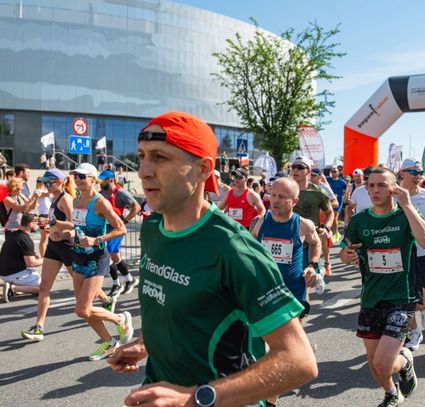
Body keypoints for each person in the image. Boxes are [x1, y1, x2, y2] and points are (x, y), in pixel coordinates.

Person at [108, 112, 317, 407]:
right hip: (153, 393)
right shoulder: (152, 228)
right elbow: (183, 310)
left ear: (203, 169)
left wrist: (194, 398)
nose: (143, 171)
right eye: (141, 156)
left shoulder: (235, 249)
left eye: (160, 157)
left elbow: (299, 361)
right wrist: (147, 344)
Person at [339, 168, 425, 406]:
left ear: (394, 189)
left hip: (401, 298)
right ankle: (392, 392)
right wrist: (346, 255)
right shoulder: (360, 220)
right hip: (371, 298)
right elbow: (343, 251)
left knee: (383, 363)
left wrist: (408, 205)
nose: (375, 190)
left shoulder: (405, 214)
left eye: (381, 185)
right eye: (371, 185)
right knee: (375, 363)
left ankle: (405, 360)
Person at [67, 163, 131, 360]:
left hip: (96, 259)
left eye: (82, 176)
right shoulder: (76, 200)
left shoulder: (100, 202)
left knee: (82, 309)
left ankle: (120, 319)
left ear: (93, 179)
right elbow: (78, 229)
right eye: (76, 176)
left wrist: (97, 240)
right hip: (78, 257)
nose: (78, 179)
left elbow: (121, 229)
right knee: (84, 311)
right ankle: (109, 343)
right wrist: (65, 233)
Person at [251, 177, 321, 322]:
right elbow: (248, 249)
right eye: (273, 195)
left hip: (293, 291)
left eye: (282, 197)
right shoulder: (259, 222)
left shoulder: (303, 225)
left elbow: (316, 243)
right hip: (264, 291)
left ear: (294, 201)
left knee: (293, 335)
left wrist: (312, 265)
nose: (275, 200)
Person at [21, 169, 79, 341]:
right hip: (54, 247)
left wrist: (52, 222)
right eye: (45, 182)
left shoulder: (66, 198)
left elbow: (74, 224)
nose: (47, 185)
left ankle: (105, 300)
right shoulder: (54, 198)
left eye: (50, 182)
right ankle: (39, 327)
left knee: (81, 287)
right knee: (44, 287)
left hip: (67, 247)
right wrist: (48, 225)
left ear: (60, 182)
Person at [399, 159, 425, 352]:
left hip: (424, 252)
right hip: (401, 252)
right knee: (405, 299)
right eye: (413, 172)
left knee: (418, 302)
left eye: (420, 172)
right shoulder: (393, 196)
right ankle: (415, 332)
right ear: (402, 173)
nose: (418, 176)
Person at [98, 170, 141, 297]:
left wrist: (125, 221)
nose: (100, 183)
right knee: (113, 256)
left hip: (116, 229)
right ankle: (129, 279)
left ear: (111, 180)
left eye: (103, 180)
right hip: (105, 228)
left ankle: (117, 283)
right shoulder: (101, 193)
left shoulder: (120, 192)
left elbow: (136, 207)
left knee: (108, 252)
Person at [291, 156, 334, 277]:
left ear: (309, 171)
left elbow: (330, 212)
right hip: (288, 239)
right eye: (293, 167)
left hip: (310, 242)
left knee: (308, 277)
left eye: (300, 167)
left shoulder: (318, 192)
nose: (295, 170)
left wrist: (326, 228)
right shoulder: (286, 189)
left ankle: (319, 272)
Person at [1, 213, 42, 303]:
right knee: (43, 288)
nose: (38, 225)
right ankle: (13, 288)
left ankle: (12, 286)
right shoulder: (25, 239)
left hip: (4, 272)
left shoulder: (13, 234)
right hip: (14, 273)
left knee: (33, 274)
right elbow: (31, 263)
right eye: (36, 222)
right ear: (31, 224)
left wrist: (34, 254)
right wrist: (45, 260)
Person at [326, 165, 348, 242]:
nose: (333, 173)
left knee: (335, 218)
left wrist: (346, 197)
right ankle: (334, 232)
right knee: (329, 217)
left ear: (338, 173)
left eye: (335, 171)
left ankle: (334, 235)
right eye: (332, 171)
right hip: (328, 202)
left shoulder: (342, 182)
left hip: (338, 202)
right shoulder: (327, 180)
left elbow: (347, 190)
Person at [35, 180, 52, 257]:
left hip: (50, 214)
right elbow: (47, 194)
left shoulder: (47, 190)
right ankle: (43, 256)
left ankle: (48, 256)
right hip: (43, 215)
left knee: (51, 237)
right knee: (44, 238)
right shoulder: (37, 191)